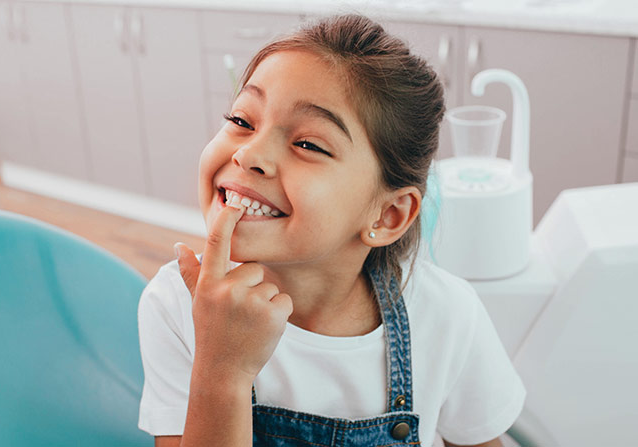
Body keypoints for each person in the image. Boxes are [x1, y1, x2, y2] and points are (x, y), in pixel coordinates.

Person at [137, 14, 525, 447]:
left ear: (388, 216)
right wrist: (221, 370)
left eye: (308, 144)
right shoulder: (176, 305)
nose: (248, 154)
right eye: (242, 120)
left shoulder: (448, 317)